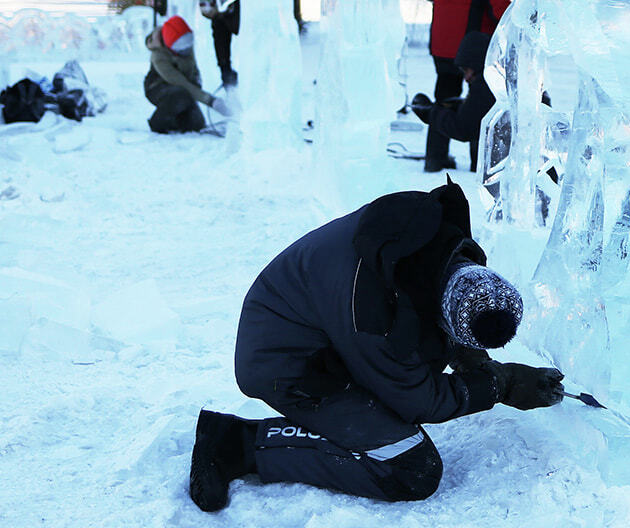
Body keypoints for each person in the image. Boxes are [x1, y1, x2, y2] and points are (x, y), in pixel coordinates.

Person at [187, 180, 565, 512]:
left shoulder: (438, 246)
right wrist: (501, 384)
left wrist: (473, 359)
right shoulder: (376, 318)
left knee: (401, 388)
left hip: (320, 322)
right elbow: (419, 399)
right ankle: (237, 444)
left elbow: (439, 316)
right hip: (282, 356)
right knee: (411, 467)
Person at [421, 0, 513, 172]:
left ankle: (435, 158)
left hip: (442, 41)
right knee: (481, 104)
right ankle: (479, 163)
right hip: (475, 47)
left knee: (444, 97)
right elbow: (500, 6)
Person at [411, 31, 495, 173]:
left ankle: (437, 160)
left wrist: (431, 113)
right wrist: (464, 106)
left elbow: (465, 128)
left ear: (477, 64)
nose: (466, 78)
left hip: (445, 46)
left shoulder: (486, 83)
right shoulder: (497, 77)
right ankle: (477, 167)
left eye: (466, 70)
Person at [144, 15, 230, 133]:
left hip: (182, 89)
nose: (186, 48)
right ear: (170, 45)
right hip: (158, 87)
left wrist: (196, 82)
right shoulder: (158, 57)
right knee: (181, 95)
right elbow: (180, 82)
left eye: (188, 43)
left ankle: (176, 120)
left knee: (196, 124)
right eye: (181, 46)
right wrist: (211, 101)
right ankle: (157, 123)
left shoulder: (184, 47)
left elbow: (192, 71)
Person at [198, 0, 240, 87]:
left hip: (228, 21)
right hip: (226, 20)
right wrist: (221, 12)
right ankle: (225, 70)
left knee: (219, 35)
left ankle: (225, 69)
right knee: (219, 31)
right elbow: (206, 9)